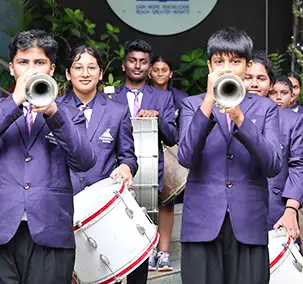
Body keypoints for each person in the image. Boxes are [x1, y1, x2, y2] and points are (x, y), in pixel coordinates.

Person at [178, 28, 282, 284]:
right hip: (202, 224)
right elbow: (186, 157)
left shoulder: (265, 107)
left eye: (235, 62)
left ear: (247, 68)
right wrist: (209, 102)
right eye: (219, 62)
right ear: (209, 66)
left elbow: (272, 165)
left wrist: (239, 117)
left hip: (248, 222)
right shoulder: (193, 105)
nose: (226, 68)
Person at [0, 30, 96, 283]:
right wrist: (16, 101)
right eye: (23, 62)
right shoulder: (2, 110)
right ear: (12, 69)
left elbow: (85, 161)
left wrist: (53, 111)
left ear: (51, 69)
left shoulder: (69, 114)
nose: (31, 70)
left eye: (39, 62)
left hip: (50, 231)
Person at [110, 39, 178, 282]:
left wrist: (157, 119)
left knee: (146, 231)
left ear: (149, 67)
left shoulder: (161, 98)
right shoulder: (109, 97)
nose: (137, 66)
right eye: (132, 60)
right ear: (123, 64)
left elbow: (172, 137)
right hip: (116, 174)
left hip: (152, 173)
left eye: (143, 62)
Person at [58, 45, 137, 192]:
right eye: (78, 68)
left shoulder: (118, 111)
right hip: (61, 201)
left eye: (92, 68)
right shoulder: (54, 109)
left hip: (103, 199)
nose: (85, 74)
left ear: (100, 73)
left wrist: (126, 167)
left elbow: (128, 157)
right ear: (68, 74)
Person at [246, 62, 303, 241]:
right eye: (248, 78)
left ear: (270, 83)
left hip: (275, 209)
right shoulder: (224, 113)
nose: (254, 84)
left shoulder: (293, 120)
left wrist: (291, 209)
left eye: (261, 78)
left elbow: (299, 166)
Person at [148, 55, 188, 272]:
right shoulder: (143, 95)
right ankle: (147, 251)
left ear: (171, 73)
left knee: (167, 201)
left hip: (171, 159)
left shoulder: (181, 99)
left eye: (164, 69)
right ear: (149, 72)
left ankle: (163, 252)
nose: (160, 73)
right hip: (145, 156)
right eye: (156, 69)